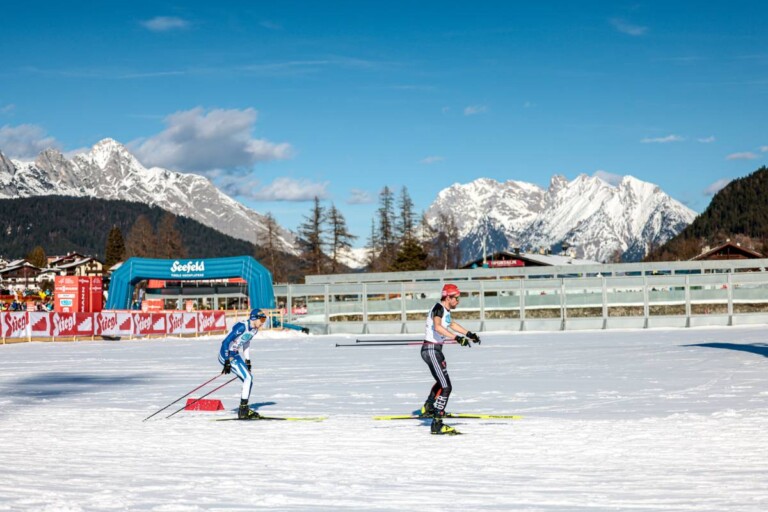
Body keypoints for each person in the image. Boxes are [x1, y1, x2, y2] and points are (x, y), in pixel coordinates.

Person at [420, 283, 481, 435]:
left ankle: (430, 407)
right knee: (446, 386)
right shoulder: (438, 308)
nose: (458, 301)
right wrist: (457, 338)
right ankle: (437, 423)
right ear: (448, 297)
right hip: (431, 349)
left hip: (436, 350)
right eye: (456, 298)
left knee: (442, 382)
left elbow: (451, 324)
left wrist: (469, 334)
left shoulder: (445, 310)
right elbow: (438, 327)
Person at [218, 308, 268, 419]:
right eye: (262, 320)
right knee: (248, 378)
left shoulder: (254, 330)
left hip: (235, 354)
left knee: (249, 379)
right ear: (254, 318)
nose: (263, 323)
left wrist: (248, 360)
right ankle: (243, 410)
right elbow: (225, 342)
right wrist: (226, 361)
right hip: (225, 354)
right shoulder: (242, 327)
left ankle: (244, 408)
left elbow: (246, 342)